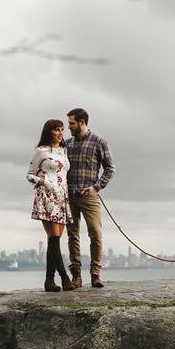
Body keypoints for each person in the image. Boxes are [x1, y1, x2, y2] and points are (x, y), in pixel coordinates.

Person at [63, 107, 114, 288]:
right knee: (72, 235)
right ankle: (76, 275)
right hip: (68, 195)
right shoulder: (66, 144)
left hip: (89, 196)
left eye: (71, 123)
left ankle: (95, 274)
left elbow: (110, 168)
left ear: (82, 122)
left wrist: (96, 187)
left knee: (95, 233)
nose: (69, 127)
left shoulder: (99, 141)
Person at [26, 119, 75, 292]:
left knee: (54, 239)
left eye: (62, 129)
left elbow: (63, 173)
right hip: (47, 196)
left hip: (62, 197)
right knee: (54, 237)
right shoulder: (41, 151)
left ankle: (49, 281)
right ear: (49, 131)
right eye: (57, 130)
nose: (61, 132)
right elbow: (29, 175)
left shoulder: (63, 151)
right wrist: (44, 181)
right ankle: (64, 278)